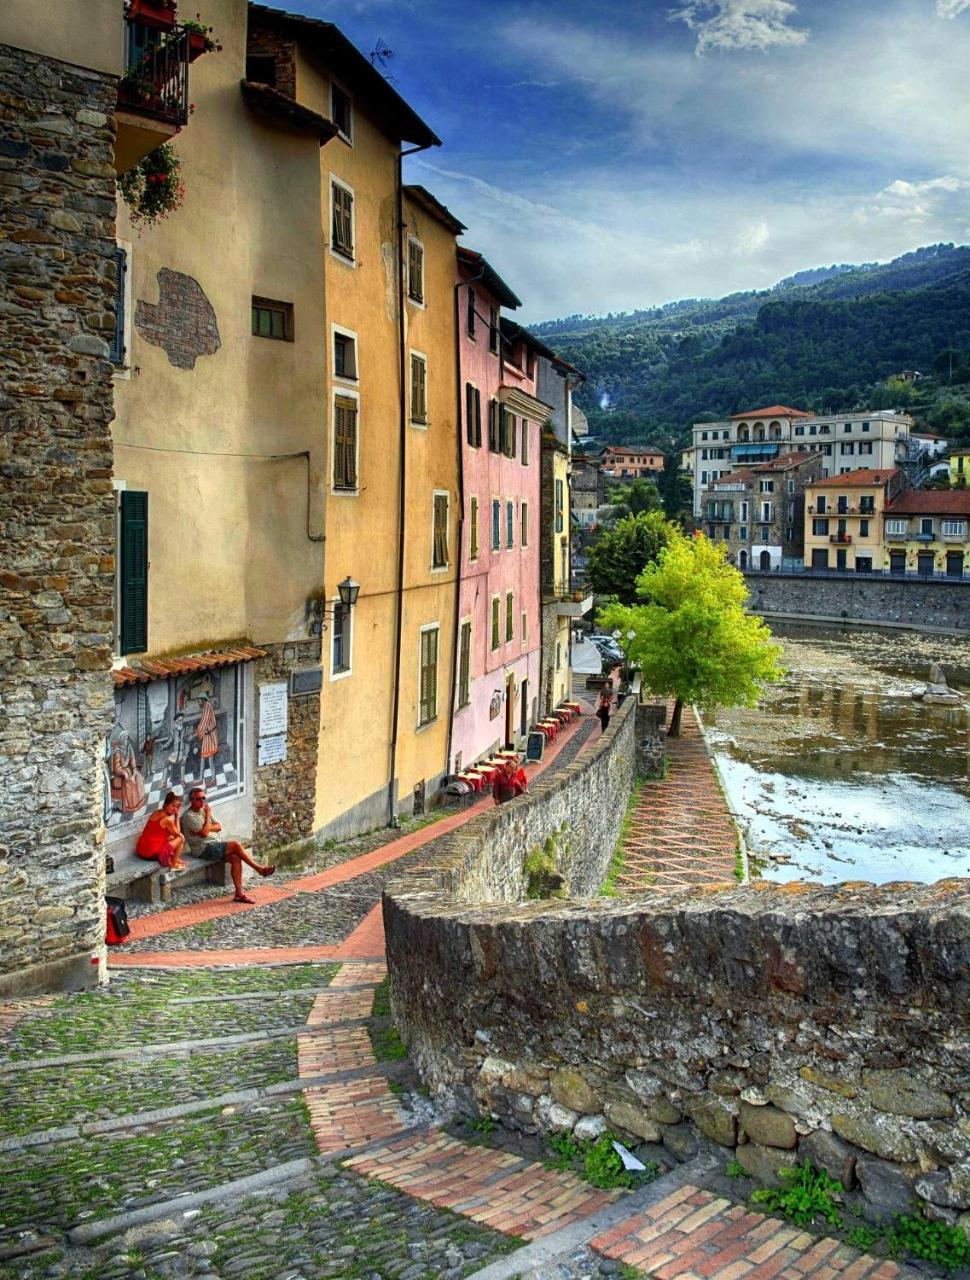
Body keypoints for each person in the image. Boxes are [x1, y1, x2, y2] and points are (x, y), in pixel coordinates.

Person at [180, 787, 275, 904]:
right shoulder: (189, 816)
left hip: (214, 845)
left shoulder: (202, 811)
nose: (202, 801)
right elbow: (204, 834)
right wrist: (208, 818)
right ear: (192, 800)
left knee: (235, 857)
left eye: (203, 798)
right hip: (203, 849)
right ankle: (259, 869)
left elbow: (219, 826)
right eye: (198, 799)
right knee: (236, 844)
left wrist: (207, 826)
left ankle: (239, 894)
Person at [135, 791, 188, 870]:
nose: (175, 809)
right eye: (173, 806)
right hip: (150, 854)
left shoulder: (157, 812)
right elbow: (178, 834)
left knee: (170, 837)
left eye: (177, 807)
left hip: (141, 850)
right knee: (181, 839)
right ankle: (173, 865)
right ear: (166, 805)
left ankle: (175, 859)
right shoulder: (167, 820)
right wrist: (177, 817)